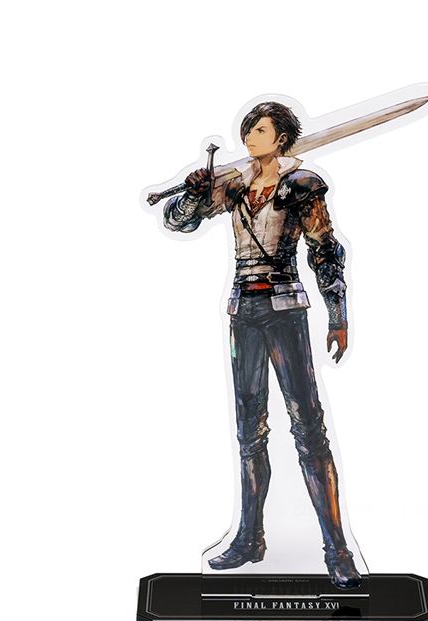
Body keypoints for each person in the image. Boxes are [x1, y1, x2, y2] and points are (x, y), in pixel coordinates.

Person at [163, 102, 361, 588]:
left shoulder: (301, 185)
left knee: (309, 430)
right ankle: (250, 538)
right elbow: (177, 222)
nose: (250, 135)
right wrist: (192, 194)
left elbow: (324, 250)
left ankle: (337, 553)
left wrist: (338, 315)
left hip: (285, 311)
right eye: (248, 128)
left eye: (261, 129)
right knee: (249, 431)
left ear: (282, 138)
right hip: (243, 314)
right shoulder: (233, 185)